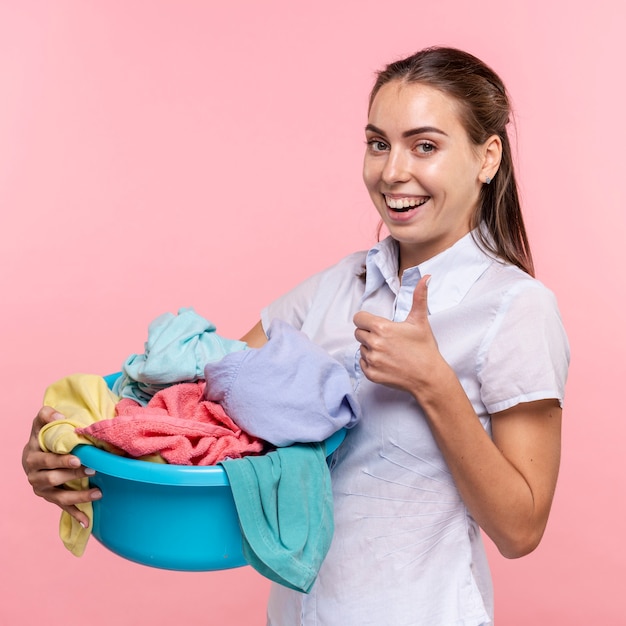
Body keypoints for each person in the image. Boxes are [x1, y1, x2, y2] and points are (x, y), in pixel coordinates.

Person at [22, 46, 569, 625]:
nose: (392, 171)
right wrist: (75, 444)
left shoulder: (516, 310)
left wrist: (434, 384)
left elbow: (520, 528)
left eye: (425, 146)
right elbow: (207, 418)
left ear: (487, 158)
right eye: (379, 143)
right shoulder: (335, 287)